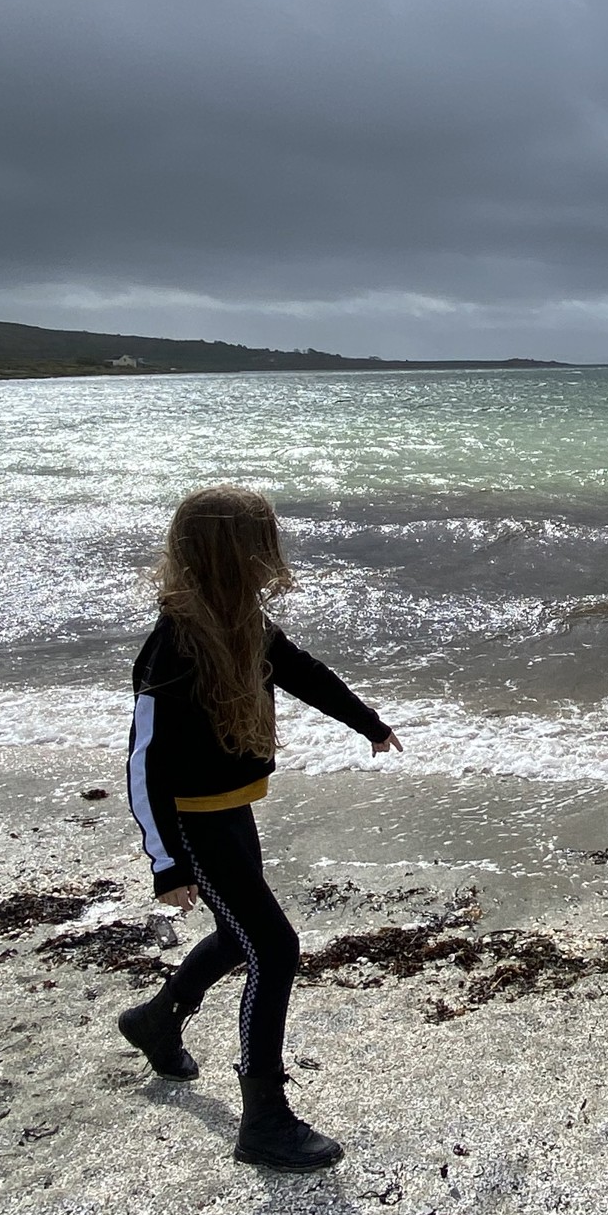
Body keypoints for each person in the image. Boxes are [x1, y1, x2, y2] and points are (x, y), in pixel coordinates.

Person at [118, 485, 402, 1169]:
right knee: (273, 949)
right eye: (262, 545)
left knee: (242, 936)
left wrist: (367, 722)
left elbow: (301, 672)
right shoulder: (174, 646)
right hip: (193, 828)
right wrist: (167, 864)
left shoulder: (242, 619)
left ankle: (158, 1020)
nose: (273, 559)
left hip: (231, 810)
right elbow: (141, 762)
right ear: (233, 554)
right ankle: (264, 1118)